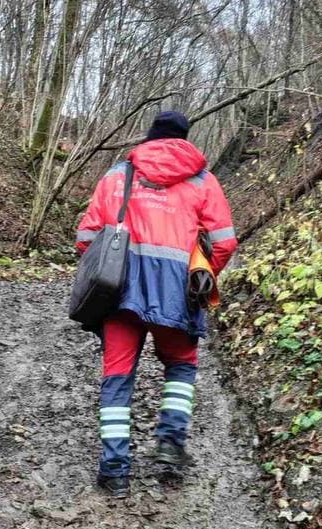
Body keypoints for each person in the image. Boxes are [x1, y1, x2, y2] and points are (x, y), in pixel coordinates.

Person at [76, 111, 237, 498]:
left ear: (149, 137)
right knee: (181, 367)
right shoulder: (203, 181)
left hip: (119, 293)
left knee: (117, 378)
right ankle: (169, 443)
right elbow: (226, 240)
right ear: (185, 140)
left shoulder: (118, 175)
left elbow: (85, 237)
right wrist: (202, 271)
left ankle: (114, 469)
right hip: (179, 293)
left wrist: (109, 266)